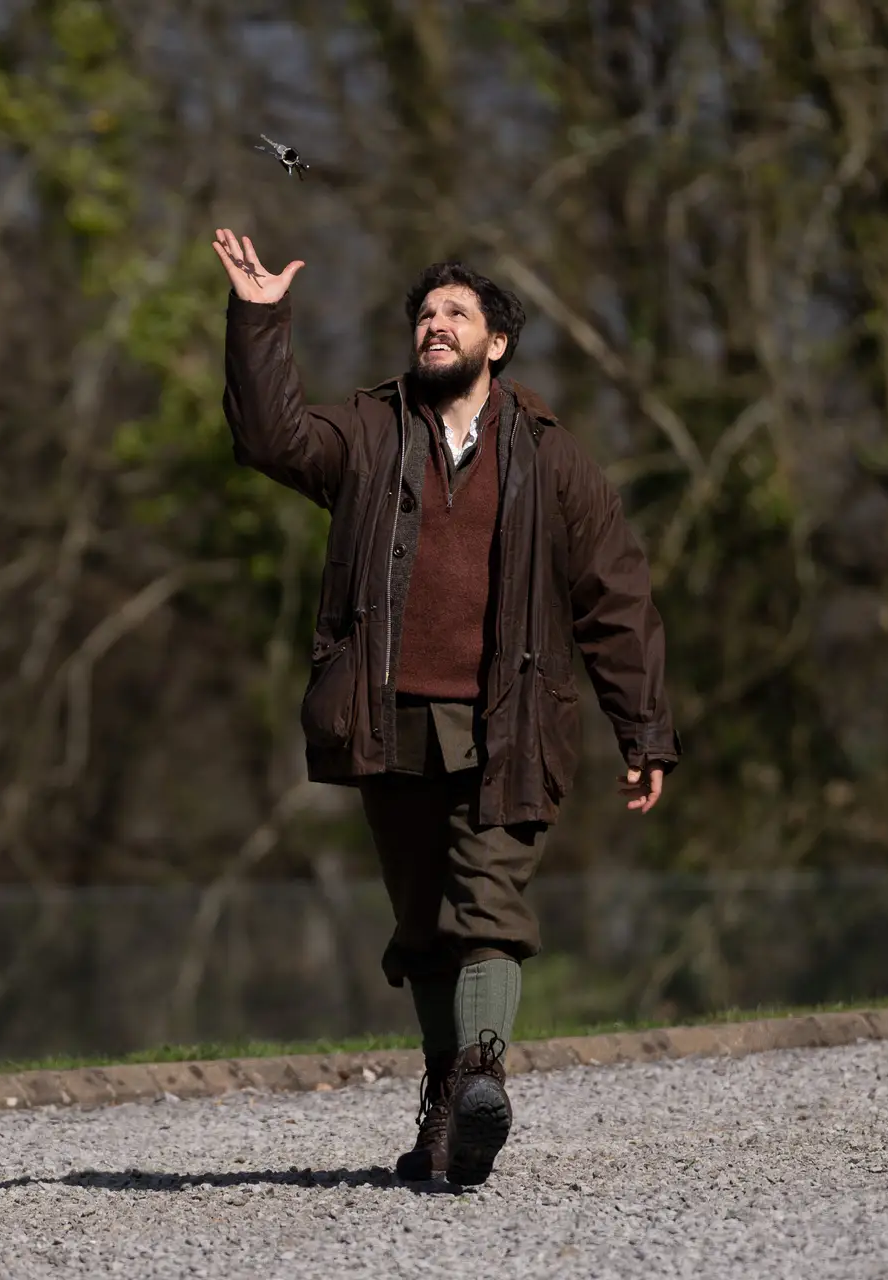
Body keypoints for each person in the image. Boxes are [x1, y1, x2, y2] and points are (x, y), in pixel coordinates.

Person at [214, 229, 680, 1187]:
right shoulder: (370, 431)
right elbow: (270, 439)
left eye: (456, 314)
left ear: (495, 343)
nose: (435, 324)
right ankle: (450, 1111)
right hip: (387, 719)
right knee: (424, 922)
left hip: (513, 722)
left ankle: (480, 1078)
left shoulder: (552, 457)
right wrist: (260, 321)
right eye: (425, 314)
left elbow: (616, 597)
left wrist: (643, 729)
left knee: (488, 907)